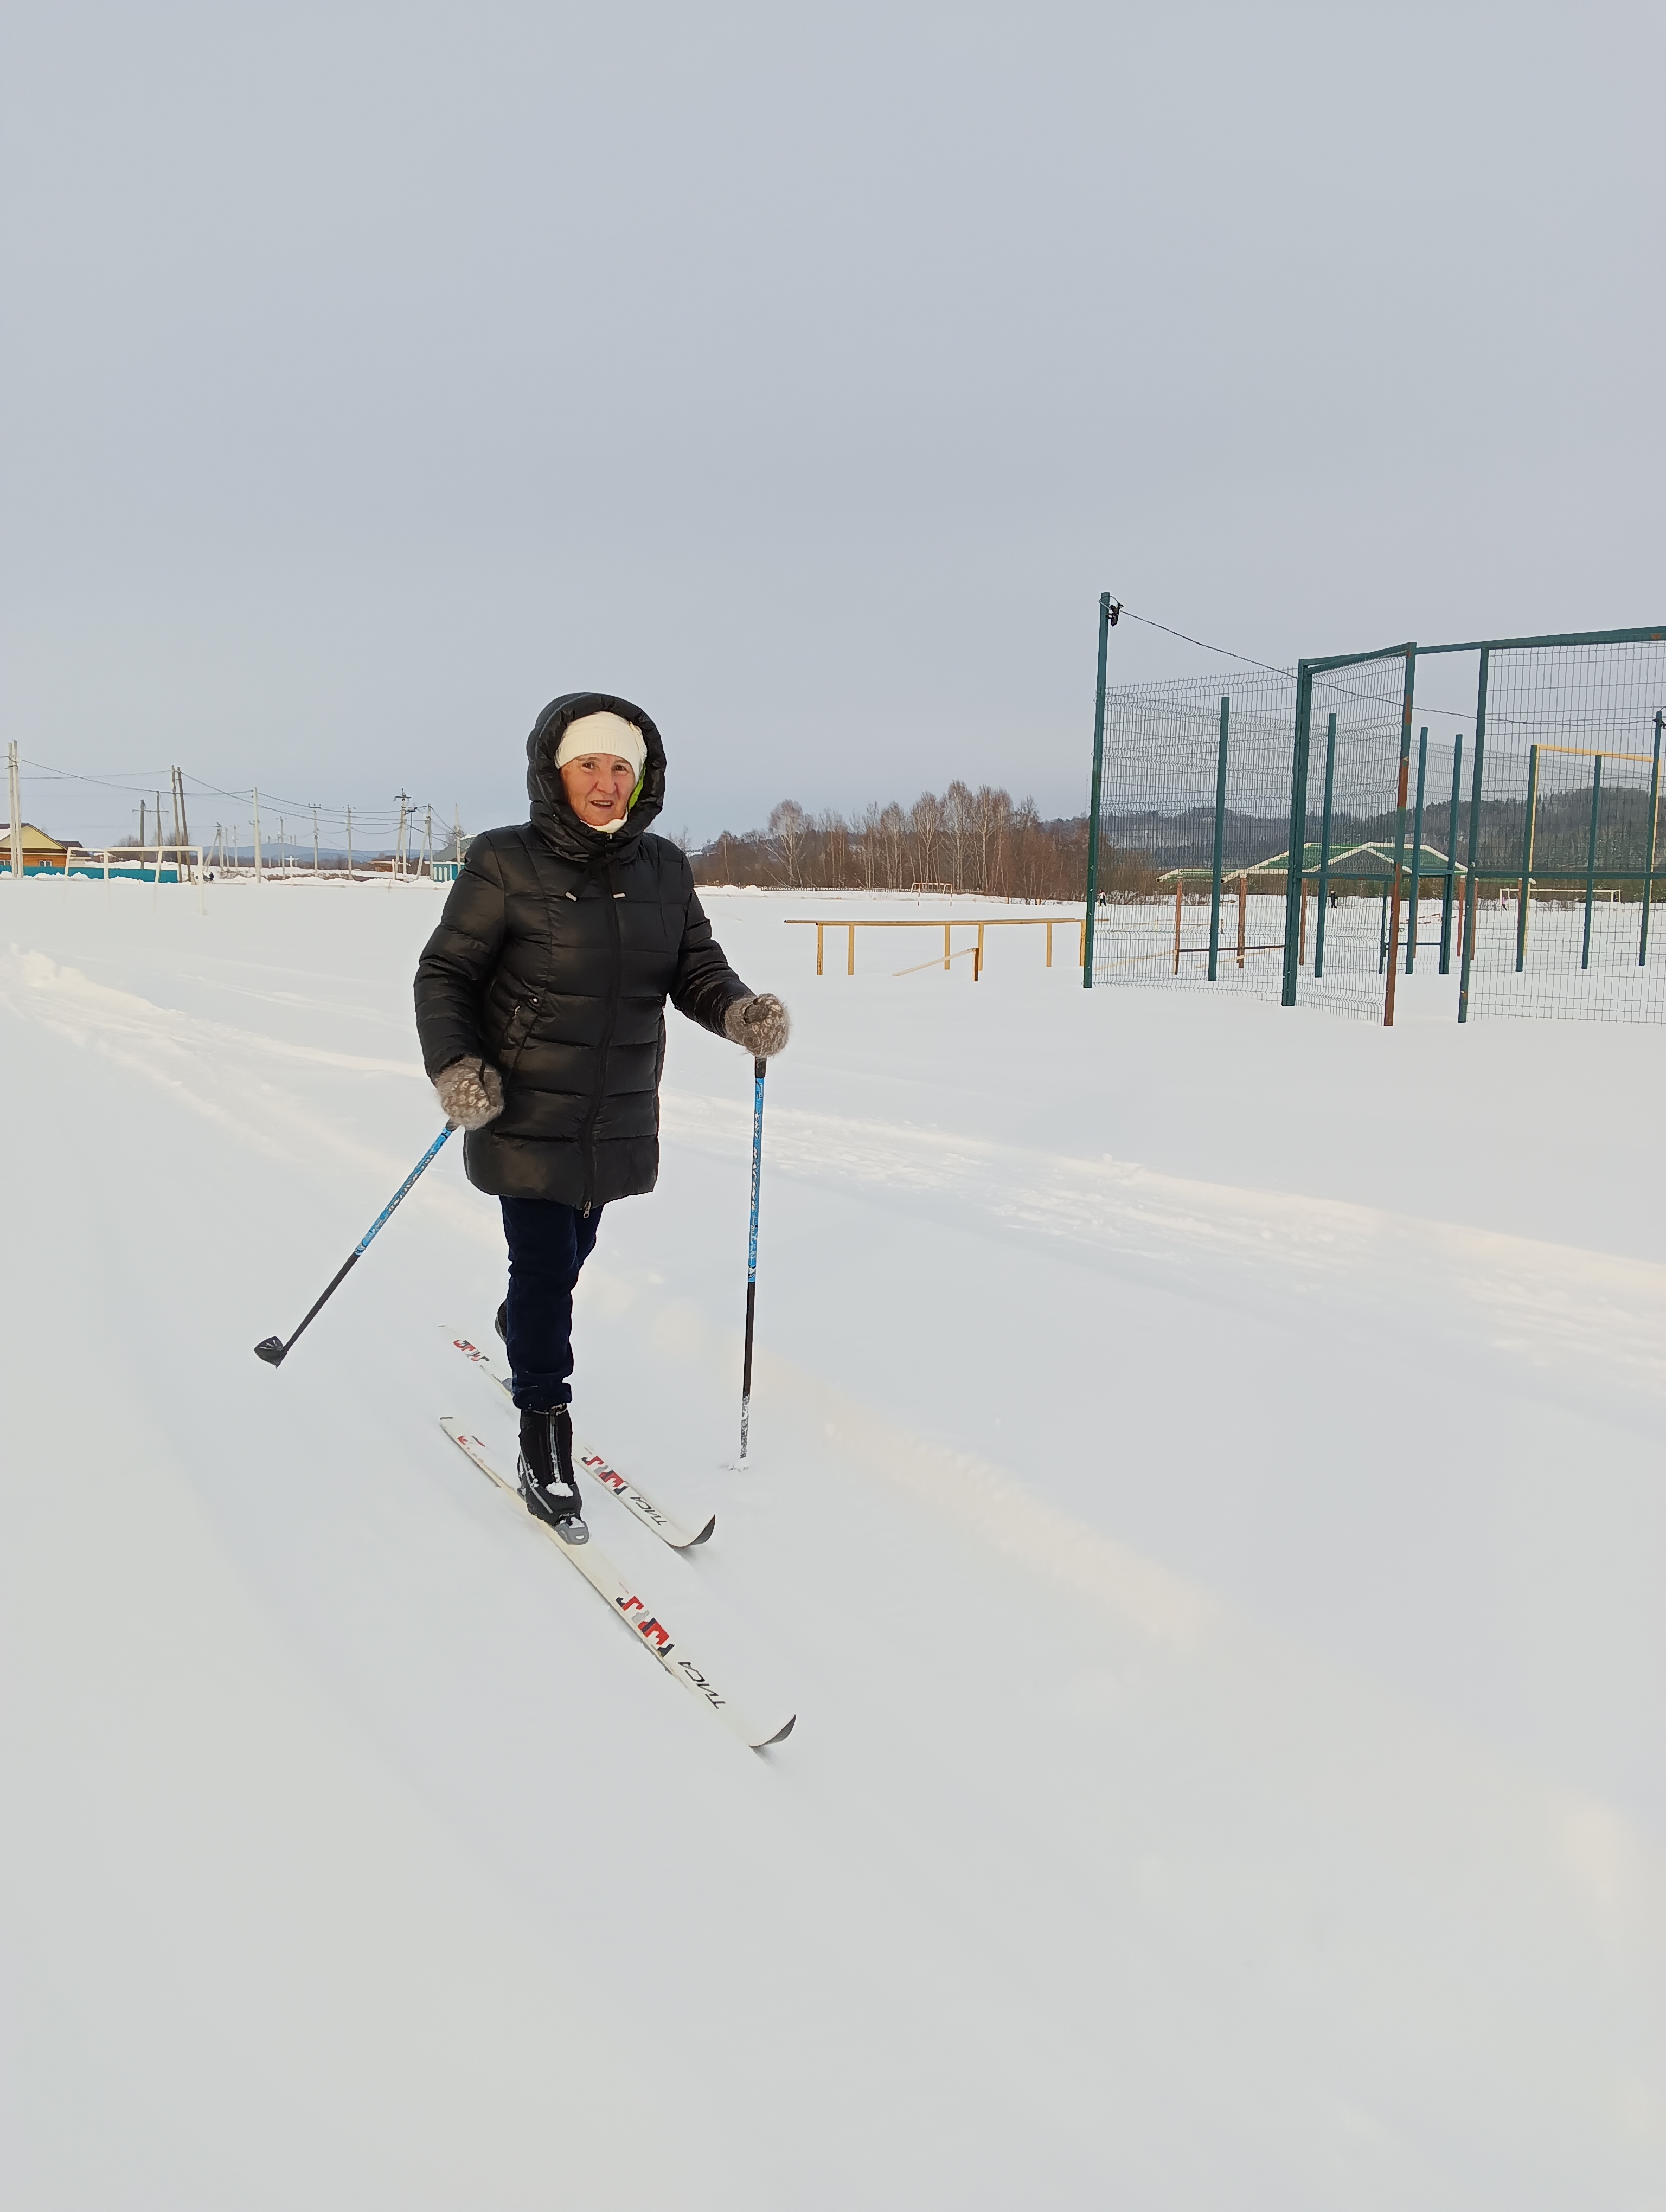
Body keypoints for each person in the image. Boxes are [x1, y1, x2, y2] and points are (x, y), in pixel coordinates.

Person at [414, 692, 789, 1544]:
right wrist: (456, 1065)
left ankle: (520, 1327)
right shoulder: (503, 861)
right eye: (590, 764)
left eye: (622, 767)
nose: (607, 782)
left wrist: (737, 1013)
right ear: (556, 771)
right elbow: (445, 975)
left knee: (573, 1248)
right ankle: (544, 1429)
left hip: (616, 1106)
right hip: (523, 1102)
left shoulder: (662, 867)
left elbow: (695, 966)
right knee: (545, 1265)